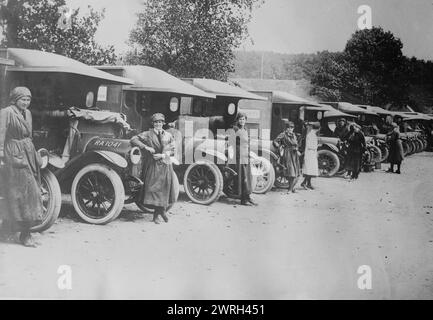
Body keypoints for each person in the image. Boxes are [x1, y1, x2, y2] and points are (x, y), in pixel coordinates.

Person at [0, 87, 43, 247]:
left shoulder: (28, 114)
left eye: (28, 100)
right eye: (22, 99)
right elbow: (1, 134)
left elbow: (29, 136)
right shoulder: (6, 112)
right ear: (15, 99)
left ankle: (20, 232)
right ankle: (24, 235)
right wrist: (1, 155)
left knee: (32, 193)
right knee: (18, 195)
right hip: (14, 155)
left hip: (28, 153)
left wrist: (33, 152)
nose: (26, 103)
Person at [130, 113, 177, 224]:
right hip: (152, 165)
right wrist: (145, 147)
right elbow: (133, 139)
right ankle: (160, 212)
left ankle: (158, 214)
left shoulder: (168, 135)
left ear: (163, 123)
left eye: (160, 122)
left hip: (165, 165)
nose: (158, 124)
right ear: (153, 123)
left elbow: (174, 150)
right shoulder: (147, 134)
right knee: (153, 189)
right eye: (156, 122)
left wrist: (162, 155)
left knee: (164, 189)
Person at [226, 112, 257, 206]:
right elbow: (231, 142)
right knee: (242, 178)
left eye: (243, 119)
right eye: (240, 119)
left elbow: (247, 143)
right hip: (238, 155)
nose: (242, 121)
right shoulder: (235, 129)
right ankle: (243, 200)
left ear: (246, 120)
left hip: (245, 155)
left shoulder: (245, 129)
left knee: (248, 177)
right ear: (237, 120)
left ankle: (248, 197)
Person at [273, 121, 301, 193]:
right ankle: (290, 189)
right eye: (289, 127)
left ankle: (292, 188)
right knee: (291, 171)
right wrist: (280, 147)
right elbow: (275, 141)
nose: (290, 129)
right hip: (287, 154)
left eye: (292, 127)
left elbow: (296, 144)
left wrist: (297, 149)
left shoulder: (294, 135)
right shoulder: (283, 134)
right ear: (286, 128)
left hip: (294, 155)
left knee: (295, 171)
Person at [301, 122, 320, 190]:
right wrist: (316, 147)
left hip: (312, 153)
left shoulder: (313, 134)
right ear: (318, 129)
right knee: (309, 169)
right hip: (310, 153)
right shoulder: (311, 135)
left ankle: (309, 183)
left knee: (311, 169)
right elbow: (309, 146)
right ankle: (304, 183)